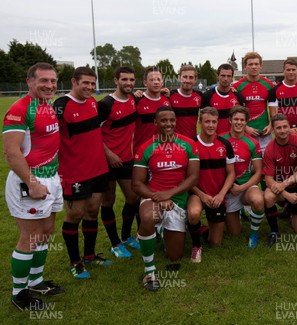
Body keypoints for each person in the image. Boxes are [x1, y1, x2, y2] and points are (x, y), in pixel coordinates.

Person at [3, 63, 65, 310]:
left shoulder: (47, 105)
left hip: (52, 178)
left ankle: (36, 281)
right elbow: (11, 153)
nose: (49, 85)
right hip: (31, 181)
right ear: (29, 82)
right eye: (43, 81)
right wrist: (32, 183)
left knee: (46, 231)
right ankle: (19, 294)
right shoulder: (19, 110)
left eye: (53, 81)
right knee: (30, 237)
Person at [131, 106, 199, 291]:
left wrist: (171, 194)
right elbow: (136, 184)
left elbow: (193, 177)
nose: (168, 124)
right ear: (155, 122)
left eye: (172, 120)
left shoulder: (187, 144)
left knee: (174, 256)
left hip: (177, 199)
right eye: (163, 120)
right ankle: (149, 270)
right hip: (154, 197)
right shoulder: (145, 147)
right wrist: (159, 198)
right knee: (148, 217)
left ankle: (159, 231)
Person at [53, 67, 110, 279]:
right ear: (74, 82)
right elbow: (51, 139)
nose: (90, 88)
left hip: (98, 168)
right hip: (74, 171)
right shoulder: (61, 106)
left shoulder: (93, 103)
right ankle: (75, 261)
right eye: (85, 83)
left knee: (93, 211)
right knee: (75, 214)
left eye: (93, 84)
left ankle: (89, 255)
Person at [98, 66, 140, 259]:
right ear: (116, 81)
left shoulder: (133, 99)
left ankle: (126, 236)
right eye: (124, 79)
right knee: (108, 201)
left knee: (133, 198)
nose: (129, 83)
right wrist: (108, 154)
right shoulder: (105, 104)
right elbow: (93, 133)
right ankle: (115, 244)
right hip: (106, 161)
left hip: (126, 159)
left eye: (131, 80)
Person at [189, 107, 235, 255]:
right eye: (207, 121)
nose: (210, 125)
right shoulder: (190, 145)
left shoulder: (225, 145)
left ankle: (200, 228)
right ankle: (196, 247)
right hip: (197, 194)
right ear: (199, 122)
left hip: (217, 195)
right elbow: (186, 177)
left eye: (214, 122)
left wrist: (221, 194)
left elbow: (231, 173)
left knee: (215, 243)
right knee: (194, 213)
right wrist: (202, 195)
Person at [221, 106, 265, 248]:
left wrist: (241, 188)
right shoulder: (221, 140)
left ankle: (254, 233)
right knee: (234, 233)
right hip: (227, 188)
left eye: (242, 120)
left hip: (245, 186)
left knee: (258, 201)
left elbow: (259, 173)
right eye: (236, 119)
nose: (239, 122)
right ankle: (238, 212)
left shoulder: (252, 142)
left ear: (246, 122)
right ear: (230, 120)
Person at [263, 114, 297, 246]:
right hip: (280, 187)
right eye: (278, 128)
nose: (282, 130)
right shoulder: (269, 149)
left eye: (285, 127)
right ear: (273, 130)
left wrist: (284, 184)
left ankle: (289, 209)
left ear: (289, 127)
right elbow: (268, 179)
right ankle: (274, 232)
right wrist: (286, 194)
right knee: (268, 196)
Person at [232, 52, 274, 152]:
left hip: (264, 133)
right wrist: (245, 127)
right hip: (244, 132)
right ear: (245, 67)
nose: (254, 67)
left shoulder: (269, 85)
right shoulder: (237, 86)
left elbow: (273, 109)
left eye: (256, 64)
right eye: (250, 64)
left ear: (260, 66)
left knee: (265, 165)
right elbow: (234, 112)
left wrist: (271, 125)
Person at [268, 58, 297, 138]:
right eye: (288, 70)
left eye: (293, 69)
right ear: (283, 71)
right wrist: (286, 129)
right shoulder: (274, 90)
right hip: (283, 132)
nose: (291, 72)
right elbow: (273, 114)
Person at [133, 66, 171, 154]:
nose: (156, 82)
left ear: (162, 82)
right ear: (145, 83)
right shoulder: (137, 100)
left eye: (158, 79)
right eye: (152, 80)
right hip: (142, 152)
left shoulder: (167, 100)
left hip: (163, 151)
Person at [201, 63, 245, 135]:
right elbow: (203, 121)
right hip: (214, 139)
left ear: (232, 78)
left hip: (233, 139)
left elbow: (242, 120)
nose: (225, 79)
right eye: (223, 75)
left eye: (228, 76)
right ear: (217, 76)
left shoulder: (238, 97)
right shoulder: (207, 96)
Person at [169, 65, 202, 139]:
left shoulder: (200, 96)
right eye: (184, 77)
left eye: (191, 77)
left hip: (193, 141)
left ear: (195, 79)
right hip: (175, 142)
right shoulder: (170, 96)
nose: (187, 80)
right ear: (179, 78)